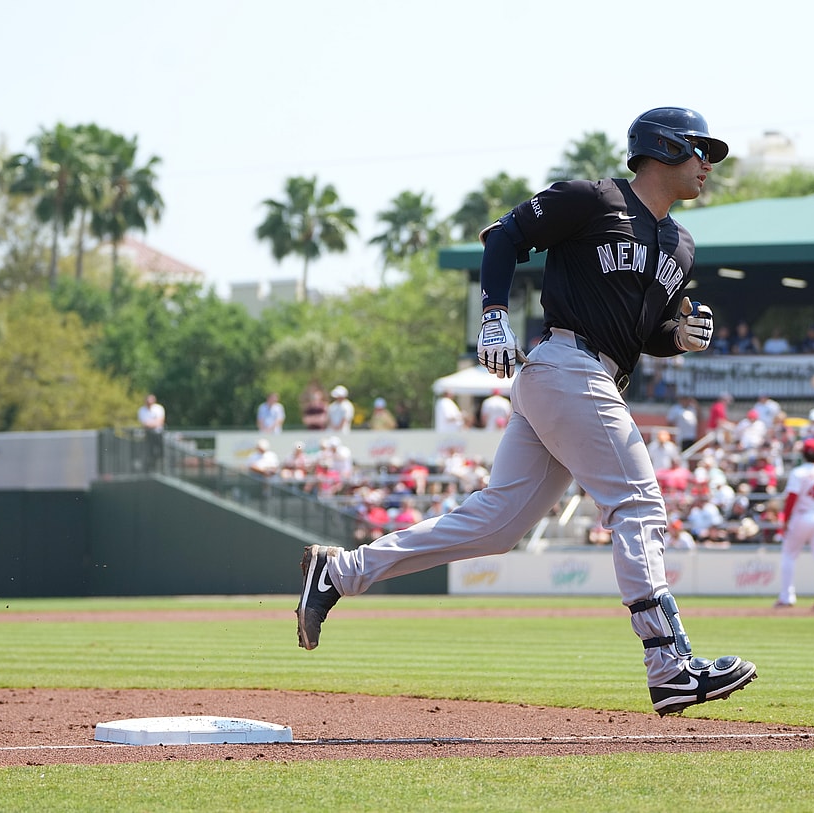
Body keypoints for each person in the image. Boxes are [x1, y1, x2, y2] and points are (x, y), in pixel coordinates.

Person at [294, 106, 756, 716]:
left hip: (589, 376)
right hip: (566, 365)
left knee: (497, 526)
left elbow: (640, 333)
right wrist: (492, 315)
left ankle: (339, 573)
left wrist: (677, 337)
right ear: (663, 148)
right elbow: (504, 237)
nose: (707, 164)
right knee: (639, 503)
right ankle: (668, 665)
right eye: (700, 149)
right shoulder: (591, 200)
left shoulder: (680, 243)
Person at [775, 437, 814, 610]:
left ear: (803, 453)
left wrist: (785, 521)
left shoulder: (799, 472)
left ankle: (787, 597)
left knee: (789, 555)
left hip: (802, 516)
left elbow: (791, 499)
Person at [136, 393, 166, 472]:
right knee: (149, 453)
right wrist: (154, 423)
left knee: (160, 452)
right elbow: (145, 424)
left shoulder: (159, 408)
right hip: (148, 434)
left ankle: (161, 469)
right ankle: (149, 470)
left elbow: (160, 422)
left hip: (158, 434)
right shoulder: (142, 410)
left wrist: (151, 423)